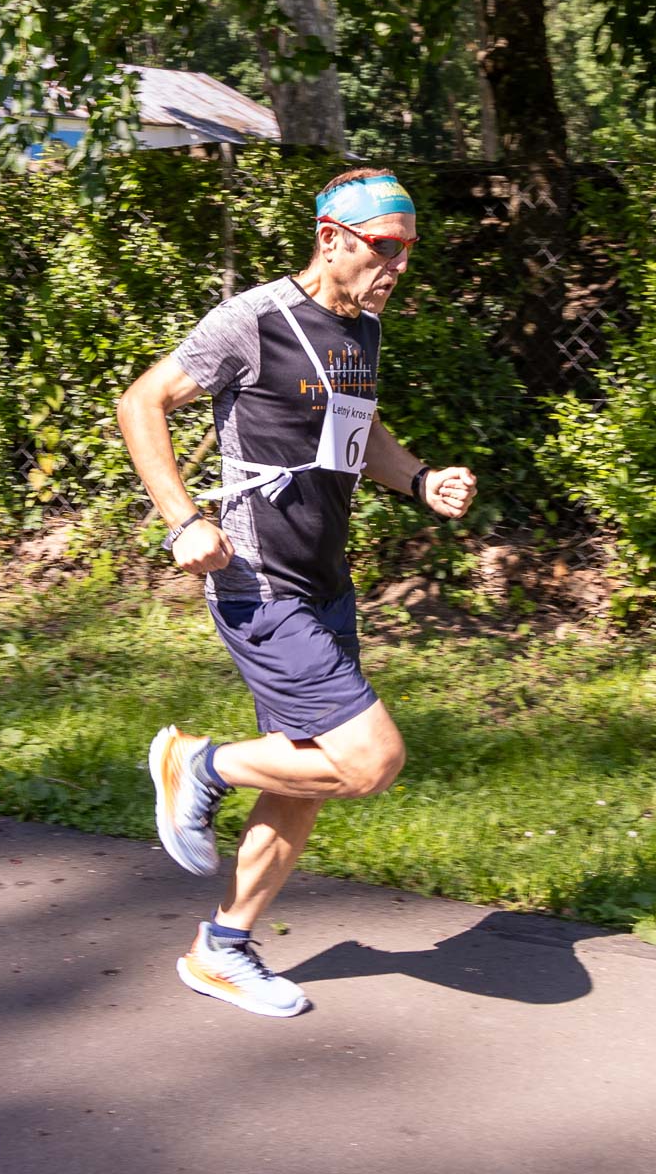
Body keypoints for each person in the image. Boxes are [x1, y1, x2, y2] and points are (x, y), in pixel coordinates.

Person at [116, 167, 476, 1018]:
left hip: (323, 581)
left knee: (305, 776)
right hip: (258, 581)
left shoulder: (364, 329)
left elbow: (358, 429)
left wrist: (418, 479)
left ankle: (222, 948)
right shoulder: (255, 321)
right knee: (371, 759)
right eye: (384, 248)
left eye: (408, 251)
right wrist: (182, 521)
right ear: (330, 239)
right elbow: (142, 402)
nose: (398, 266)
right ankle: (196, 764)